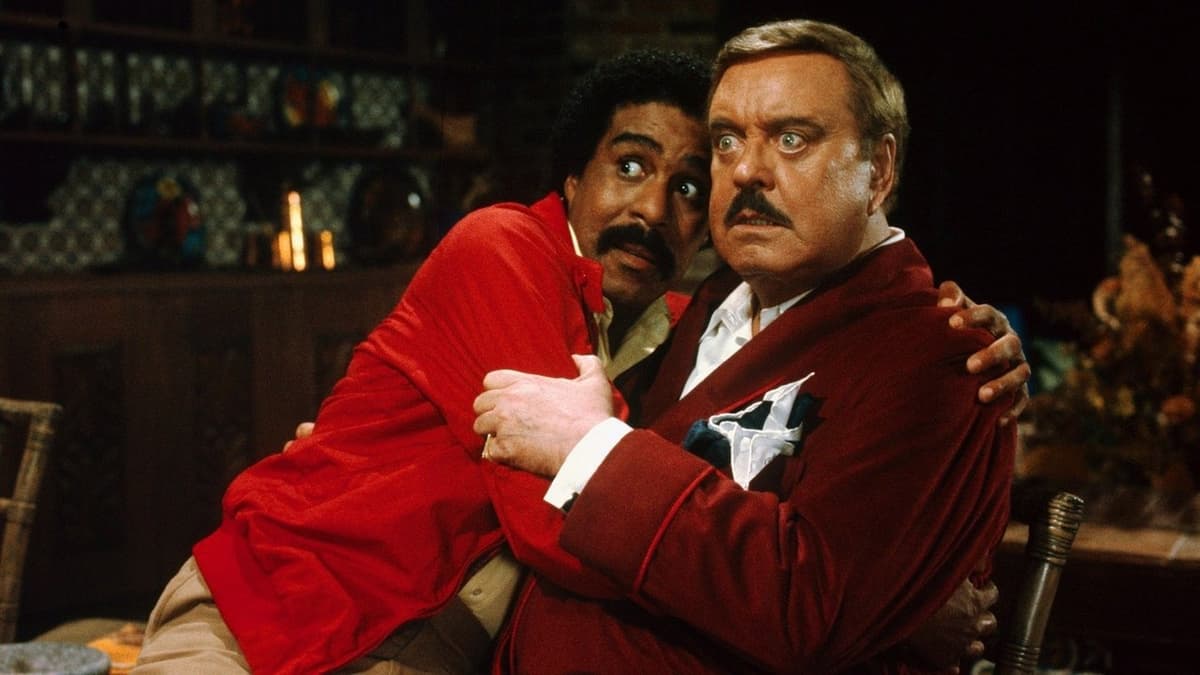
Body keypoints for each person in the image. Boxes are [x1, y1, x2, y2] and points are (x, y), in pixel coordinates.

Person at [134, 49, 1023, 675]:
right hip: (276, 615)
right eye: (629, 166)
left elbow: (721, 478)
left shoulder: (684, 333)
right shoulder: (501, 249)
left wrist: (884, 585)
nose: (653, 209)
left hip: (417, 644)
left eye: (688, 185)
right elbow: (558, 525)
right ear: (570, 181)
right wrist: (880, 620)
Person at [473, 19, 1019, 673]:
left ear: (878, 171)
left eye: (792, 139)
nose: (746, 171)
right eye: (727, 140)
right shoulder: (704, 307)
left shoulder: (939, 354)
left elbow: (810, 606)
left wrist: (591, 449)